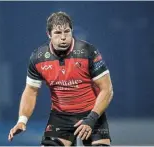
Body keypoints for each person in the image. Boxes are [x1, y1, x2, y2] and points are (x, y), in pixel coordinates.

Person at [8, 11, 114, 146]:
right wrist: (22, 120)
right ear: (49, 35)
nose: (63, 37)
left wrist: (92, 118)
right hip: (61, 116)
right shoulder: (38, 57)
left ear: (72, 31)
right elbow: (31, 91)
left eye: (67, 32)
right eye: (58, 33)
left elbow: (107, 89)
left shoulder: (88, 51)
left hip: (92, 112)